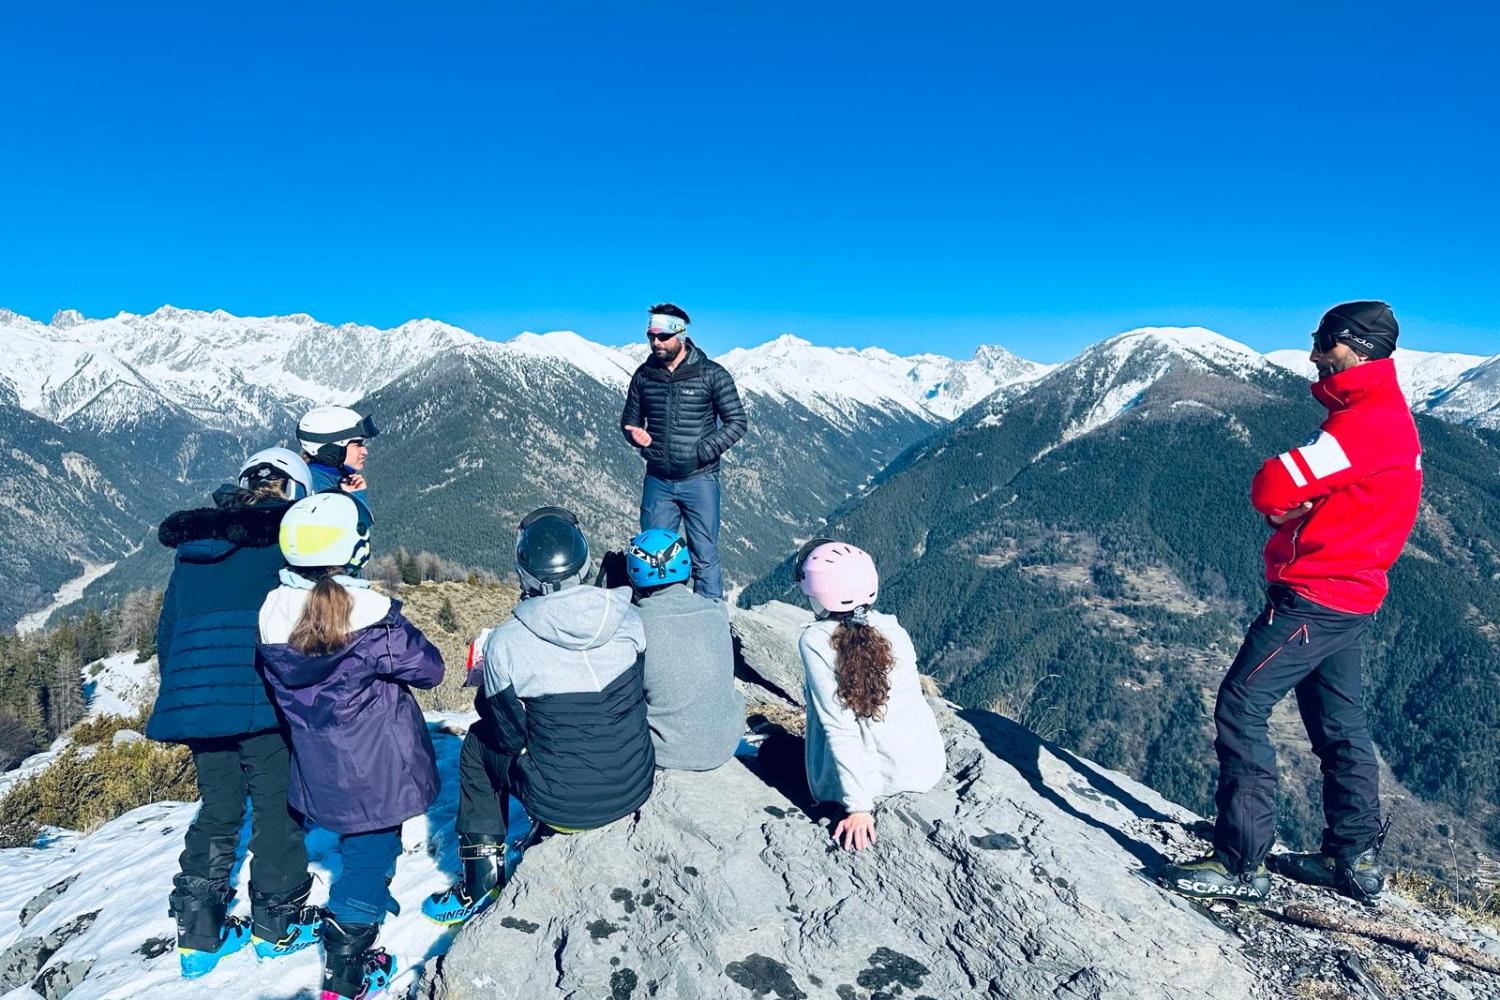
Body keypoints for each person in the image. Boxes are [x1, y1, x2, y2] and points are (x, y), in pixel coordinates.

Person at [1159, 301, 1422, 905]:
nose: (1312, 355)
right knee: (1340, 724)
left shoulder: (1361, 423)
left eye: (1323, 344)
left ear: (1353, 346)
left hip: (1315, 597)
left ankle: (1239, 862)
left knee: (1241, 705)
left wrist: (1289, 505)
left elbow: (1271, 485)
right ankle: (1352, 859)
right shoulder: (1381, 416)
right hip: (1353, 593)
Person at [422, 506, 653, 926]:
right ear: (584, 562)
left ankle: (481, 880)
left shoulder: (508, 644)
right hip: (636, 784)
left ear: (526, 574)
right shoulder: (629, 619)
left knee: (477, 745)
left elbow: (506, 737)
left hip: (565, 807)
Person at [257, 492, 443, 999]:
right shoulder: (372, 621)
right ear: (354, 550)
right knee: (368, 859)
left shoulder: (273, 616)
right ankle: (348, 972)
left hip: (317, 765)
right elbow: (431, 670)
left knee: (355, 844)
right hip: (376, 767)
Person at [150, 448, 320, 978]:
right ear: (292, 491)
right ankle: (277, 924)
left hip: (199, 701)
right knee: (275, 807)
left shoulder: (194, 548)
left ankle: (199, 936)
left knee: (220, 807)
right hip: (261, 698)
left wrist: (193, 693)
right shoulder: (285, 543)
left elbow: (168, 634)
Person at [794, 540, 946, 851]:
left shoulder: (815, 640)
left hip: (879, 785)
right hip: (923, 767)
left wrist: (858, 807)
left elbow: (841, 727)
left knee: (773, 755)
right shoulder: (892, 628)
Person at [620, 303, 747, 600]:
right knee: (652, 554)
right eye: (651, 336)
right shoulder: (643, 376)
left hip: (700, 479)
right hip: (658, 481)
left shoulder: (712, 374)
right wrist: (636, 437)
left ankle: (710, 619)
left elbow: (737, 422)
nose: (656, 343)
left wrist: (702, 452)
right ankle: (655, 622)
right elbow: (629, 421)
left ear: (680, 334)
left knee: (704, 555)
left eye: (663, 336)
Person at [625, 528, 745, 771]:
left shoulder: (635, 624)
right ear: (686, 569)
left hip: (669, 752)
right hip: (726, 743)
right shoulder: (716, 611)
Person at [297, 405, 378, 524]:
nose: (365, 451)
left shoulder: (332, 481)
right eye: (357, 445)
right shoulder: (315, 494)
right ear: (332, 450)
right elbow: (351, 538)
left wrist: (355, 496)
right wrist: (353, 500)